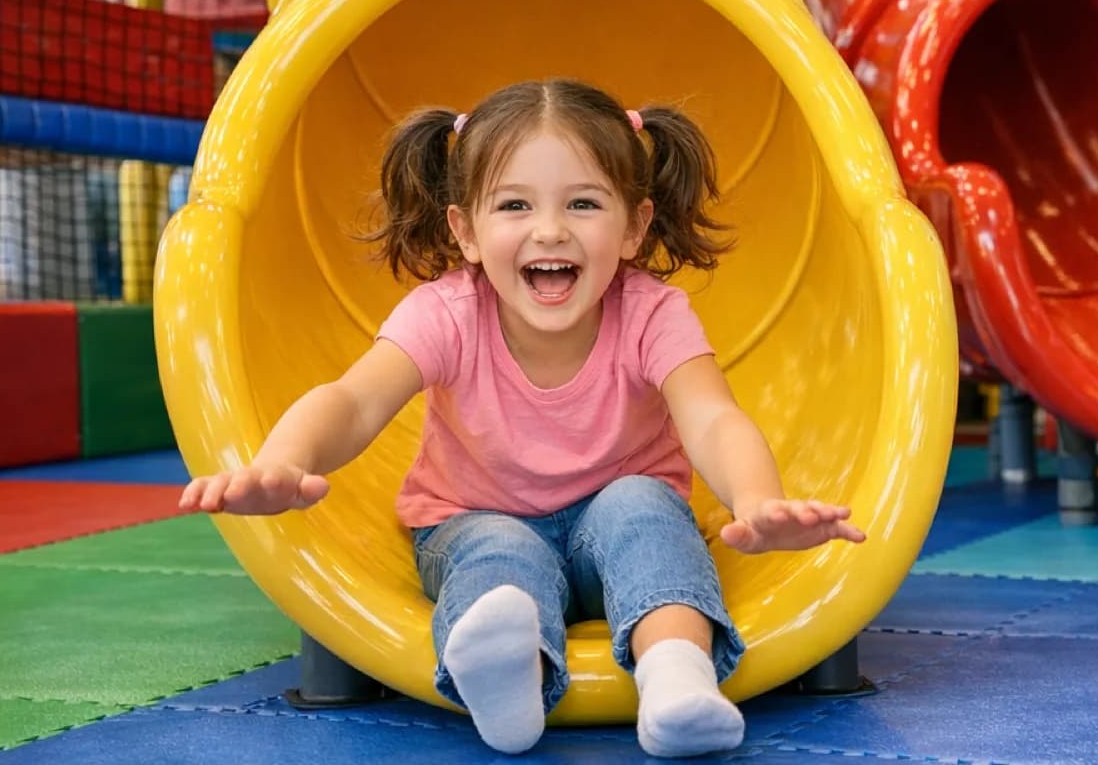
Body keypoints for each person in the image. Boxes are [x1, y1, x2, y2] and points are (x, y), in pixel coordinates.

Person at [180, 78, 864, 757]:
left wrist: (758, 498)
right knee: (499, 555)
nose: (549, 229)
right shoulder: (447, 313)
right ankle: (511, 684)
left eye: (584, 203)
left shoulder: (652, 313)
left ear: (633, 226)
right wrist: (282, 461)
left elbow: (712, 418)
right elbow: (353, 400)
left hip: (613, 531)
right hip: (472, 516)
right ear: (466, 230)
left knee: (643, 510)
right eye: (514, 204)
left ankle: (677, 682)